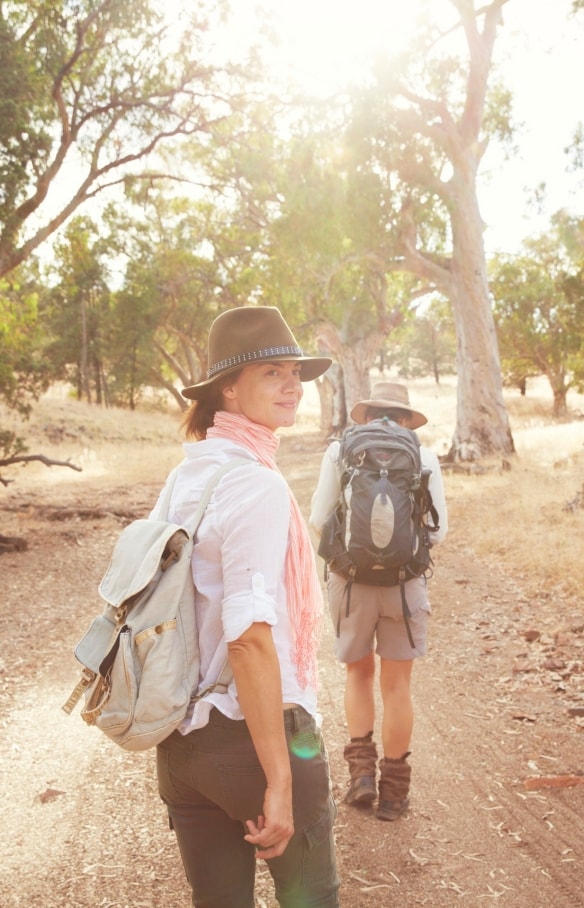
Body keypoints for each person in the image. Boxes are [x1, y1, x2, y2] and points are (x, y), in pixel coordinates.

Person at [150, 306, 339, 908]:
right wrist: (280, 778)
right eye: (271, 373)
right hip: (257, 739)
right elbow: (250, 638)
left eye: (295, 372)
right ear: (227, 389)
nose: (292, 385)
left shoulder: (187, 477)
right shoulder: (255, 483)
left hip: (184, 746)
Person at [310, 381, 448, 822]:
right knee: (397, 685)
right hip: (403, 586)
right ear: (407, 417)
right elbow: (438, 531)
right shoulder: (423, 455)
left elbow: (318, 517)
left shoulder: (340, 450)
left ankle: (361, 778)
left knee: (358, 672)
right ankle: (393, 793)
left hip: (350, 582)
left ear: (368, 413)